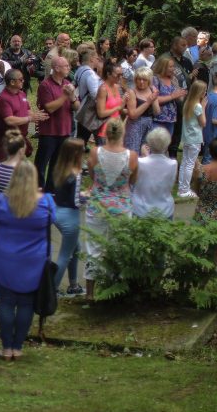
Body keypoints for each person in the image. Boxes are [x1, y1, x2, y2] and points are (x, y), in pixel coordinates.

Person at [0, 160, 55, 361]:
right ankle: (18, 347)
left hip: (5, 259)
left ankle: (6, 347)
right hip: (33, 262)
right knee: (26, 304)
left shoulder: (3, 201)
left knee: (6, 303)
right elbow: (53, 219)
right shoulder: (46, 202)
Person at [84, 118, 137, 300]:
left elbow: (92, 176)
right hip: (121, 206)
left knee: (94, 247)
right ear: (123, 133)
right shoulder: (131, 156)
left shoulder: (95, 152)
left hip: (98, 204)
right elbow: (133, 180)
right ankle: (117, 290)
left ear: (106, 133)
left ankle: (90, 293)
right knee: (119, 247)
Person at [35, 55, 78, 189]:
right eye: (66, 66)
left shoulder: (66, 84)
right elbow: (50, 108)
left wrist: (71, 97)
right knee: (41, 164)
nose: (69, 68)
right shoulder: (45, 85)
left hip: (65, 131)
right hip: (49, 132)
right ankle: (37, 190)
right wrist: (65, 96)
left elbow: (77, 107)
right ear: (56, 68)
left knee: (57, 164)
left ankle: (50, 191)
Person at [50, 139, 86, 295]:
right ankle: (52, 290)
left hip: (57, 212)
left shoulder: (59, 168)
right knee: (65, 255)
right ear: (77, 154)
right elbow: (76, 202)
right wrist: (87, 197)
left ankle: (73, 285)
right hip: (70, 216)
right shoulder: (76, 174)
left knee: (76, 247)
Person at [0, 69, 47, 162]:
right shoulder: (3, 98)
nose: (23, 81)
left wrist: (36, 117)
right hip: (6, 140)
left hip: (20, 138)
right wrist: (30, 118)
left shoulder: (22, 94)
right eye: (21, 79)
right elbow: (9, 120)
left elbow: (27, 110)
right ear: (12, 82)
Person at [131, 127, 178, 219]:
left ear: (149, 144)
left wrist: (145, 156)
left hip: (141, 210)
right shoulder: (173, 164)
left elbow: (132, 181)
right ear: (167, 144)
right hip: (165, 210)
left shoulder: (140, 162)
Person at [178, 80, 208, 198]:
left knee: (185, 163)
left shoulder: (187, 103)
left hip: (187, 138)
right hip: (195, 138)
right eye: (204, 91)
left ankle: (182, 189)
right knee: (189, 164)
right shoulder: (198, 106)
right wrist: (204, 107)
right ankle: (185, 190)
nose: (205, 93)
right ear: (200, 92)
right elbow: (203, 123)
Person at [151, 55, 187, 145]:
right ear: (163, 67)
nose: (173, 69)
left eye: (173, 66)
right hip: (158, 119)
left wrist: (181, 94)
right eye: (170, 66)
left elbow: (179, 98)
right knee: (155, 145)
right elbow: (154, 98)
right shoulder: (155, 79)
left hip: (171, 119)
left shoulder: (173, 79)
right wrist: (172, 96)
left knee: (165, 145)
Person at [124, 67, 160, 153]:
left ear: (149, 81)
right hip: (135, 125)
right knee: (133, 151)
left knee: (146, 152)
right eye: (139, 79)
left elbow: (157, 112)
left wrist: (154, 99)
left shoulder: (152, 90)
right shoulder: (132, 92)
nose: (141, 82)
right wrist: (148, 102)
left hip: (149, 124)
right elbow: (132, 115)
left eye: (144, 79)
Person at [95, 61, 124, 145]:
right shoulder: (103, 89)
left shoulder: (117, 87)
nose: (120, 77)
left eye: (121, 74)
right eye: (118, 75)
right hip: (105, 131)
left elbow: (120, 108)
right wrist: (118, 108)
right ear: (108, 74)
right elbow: (101, 113)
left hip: (116, 129)